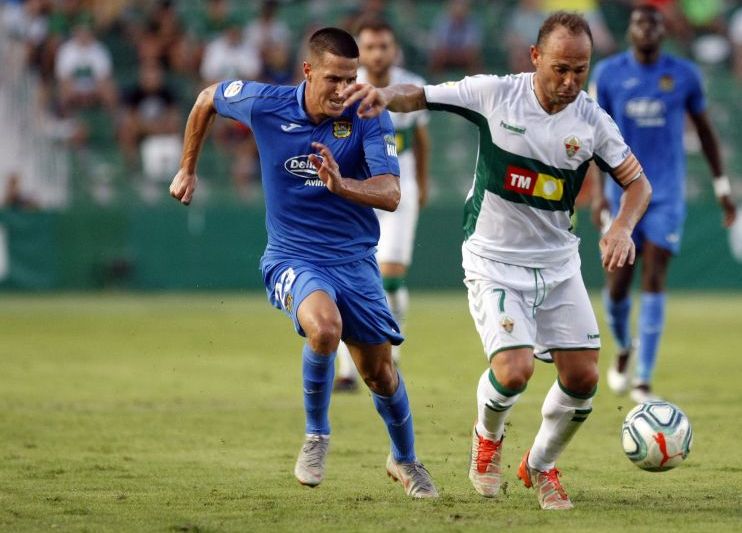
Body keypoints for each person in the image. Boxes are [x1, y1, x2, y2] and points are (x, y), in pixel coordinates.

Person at [343, 11, 652, 510]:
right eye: (560, 68)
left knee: (584, 378)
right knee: (514, 370)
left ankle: (542, 465)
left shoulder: (592, 121)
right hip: (492, 257)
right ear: (535, 58)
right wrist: (383, 98)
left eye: (580, 69)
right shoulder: (495, 93)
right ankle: (487, 437)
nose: (570, 81)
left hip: (557, 262)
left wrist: (621, 226)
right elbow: (421, 95)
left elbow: (638, 184)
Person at [168, 27, 438, 499]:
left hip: (354, 260)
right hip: (292, 256)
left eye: (350, 79)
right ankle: (317, 436)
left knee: (380, 372)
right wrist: (187, 166)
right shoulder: (266, 103)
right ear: (308, 71)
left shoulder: (368, 114)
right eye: (334, 78)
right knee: (324, 327)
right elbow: (207, 98)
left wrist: (342, 186)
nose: (343, 90)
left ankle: (405, 459)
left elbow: (391, 193)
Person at [589, 5, 736, 403]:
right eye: (639, 23)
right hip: (622, 196)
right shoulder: (608, 74)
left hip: (667, 193)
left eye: (654, 24)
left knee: (655, 275)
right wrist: (598, 192)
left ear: (663, 31)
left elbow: (705, 132)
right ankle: (623, 347)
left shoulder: (684, 75)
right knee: (618, 284)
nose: (647, 29)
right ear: (630, 31)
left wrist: (722, 186)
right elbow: (589, 136)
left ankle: (644, 380)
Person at [334, 19, 430, 392]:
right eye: (370, 47)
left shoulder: (408, 85)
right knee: (350, 277)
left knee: (389, 277)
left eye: (383, 46)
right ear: (360, 52)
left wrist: (422, 182)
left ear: (394, 50)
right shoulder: (344, 86)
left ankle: (392, 349)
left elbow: (420, 139)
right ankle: (346, 369)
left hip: (397, 186)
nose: (377, 53)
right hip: (356, 186)